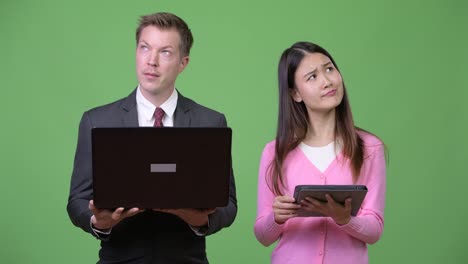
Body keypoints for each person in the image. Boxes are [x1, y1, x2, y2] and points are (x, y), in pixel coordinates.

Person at [67, 12, 237, 264]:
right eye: (145, 48)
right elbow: (77, 200)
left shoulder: (210, 122)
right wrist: (98, 222)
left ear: (183, 62)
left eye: (165, 52)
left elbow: (228, 204)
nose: (152, 61)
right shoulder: (97, 121)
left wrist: (197, 218)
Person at [254, 42, 386, 264]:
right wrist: (276, 218)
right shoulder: (275, 152)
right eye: (312, 77)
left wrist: (345, 219)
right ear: (295, 93)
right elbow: (262, 236)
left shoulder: (369, 148)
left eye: (329, 69)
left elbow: (374, 230)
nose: (327, 81)